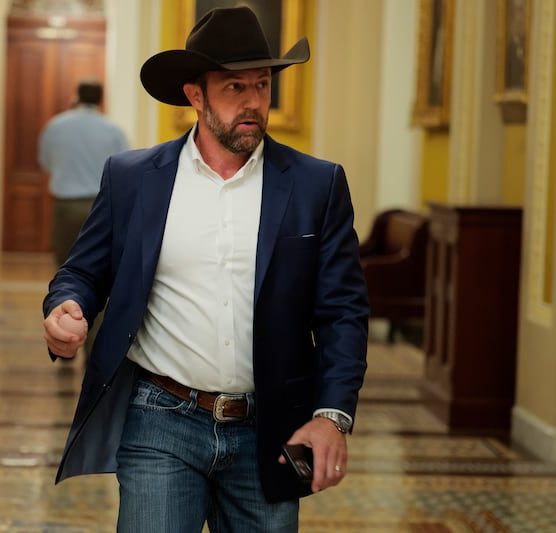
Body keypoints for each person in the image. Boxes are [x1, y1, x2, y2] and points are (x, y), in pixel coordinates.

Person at [42, 7, 369, 532]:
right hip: (159, 419)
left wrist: (331, 415)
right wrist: (67, 305)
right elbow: (83, 271)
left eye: (262, 85)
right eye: (235, 87)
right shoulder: (133, 179)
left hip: (270, 429)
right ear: (196, 95)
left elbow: (343, 312)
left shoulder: (316, 185)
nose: (253, 101)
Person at [38, 79, 129, 268]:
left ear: (77, 96)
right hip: (101, 206)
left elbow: (45, 162)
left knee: (64, 264)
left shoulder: (55, 126)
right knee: (98, 263)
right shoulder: (113, 130)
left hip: (66, 206)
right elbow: (125, 168)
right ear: (101, 99)